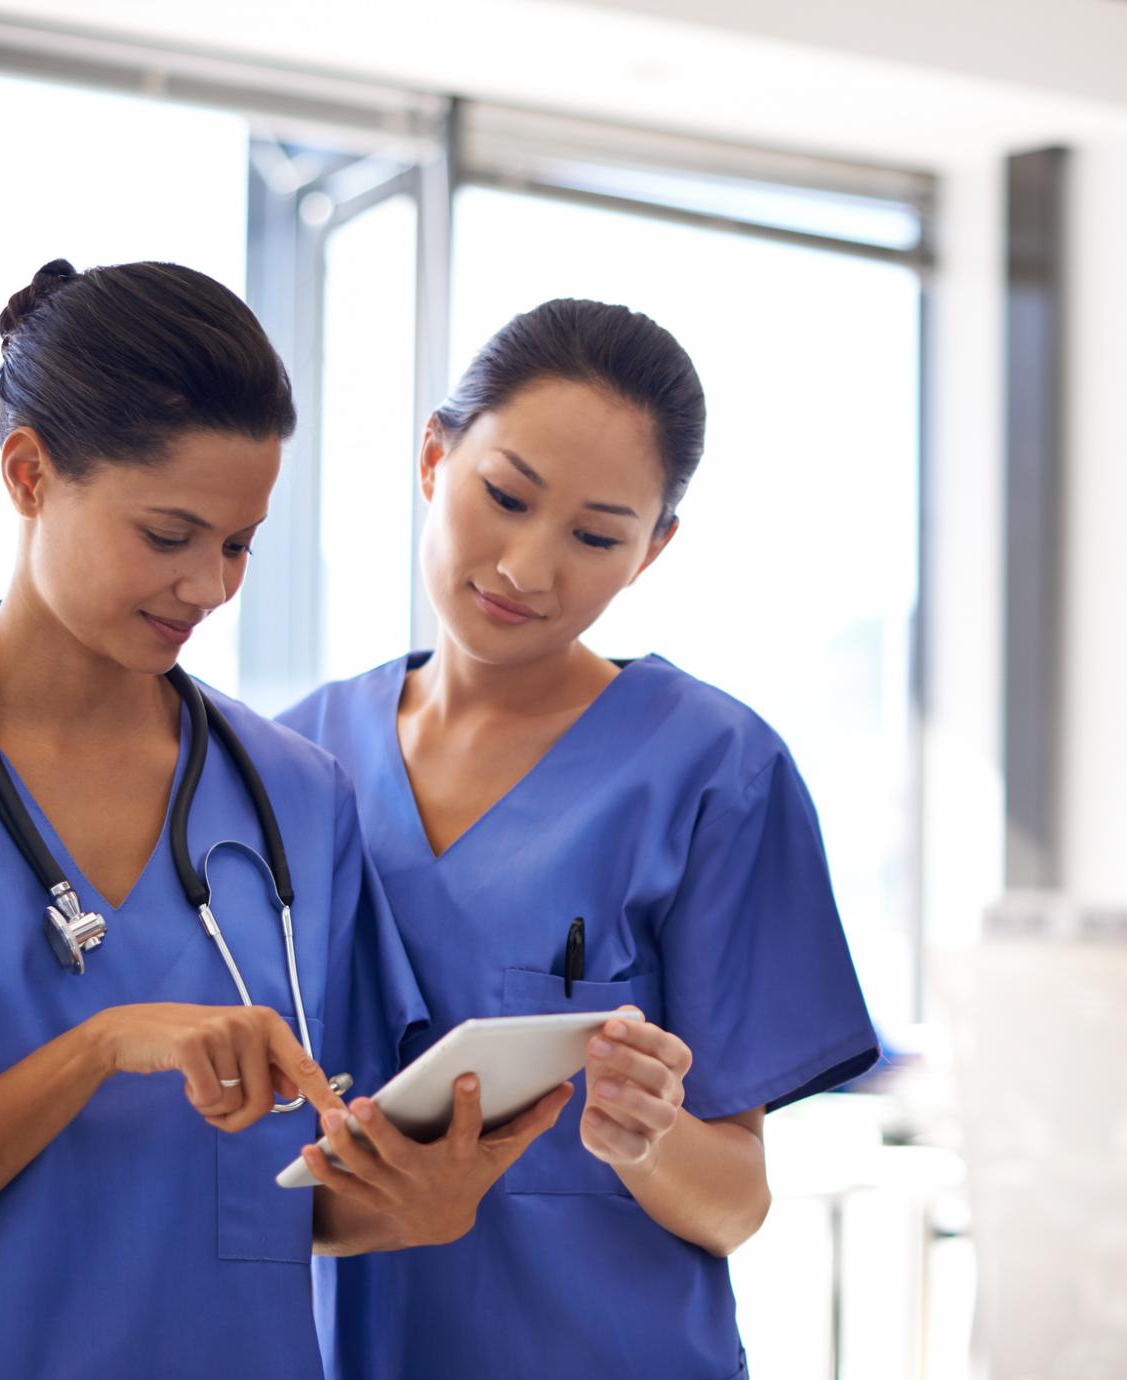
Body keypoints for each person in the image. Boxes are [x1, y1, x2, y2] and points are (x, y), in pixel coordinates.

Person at [0, 259, 566, 1378]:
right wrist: (98, 1047)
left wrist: (417, 1205)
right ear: (29, 472)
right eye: (168, 534)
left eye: (238, 543)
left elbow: (292, 1201)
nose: (209, 587)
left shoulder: (296, 801)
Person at [279, 298, 880, 1379]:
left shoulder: (712, 771)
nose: (524, 567)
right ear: (432, 455)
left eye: (596, 536)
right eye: (504, 496)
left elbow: (735, 1203)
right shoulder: (292, 763)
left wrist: (646, 1137)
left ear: (652, 551)